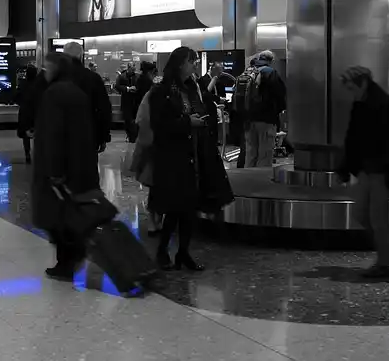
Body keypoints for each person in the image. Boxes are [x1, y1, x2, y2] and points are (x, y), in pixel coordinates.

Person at [148, 46, 234, 271]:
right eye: (191, 61)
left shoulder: (192, 88)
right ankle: (163, 251)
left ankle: (183, 253)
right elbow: (159, 125)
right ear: (179, 63)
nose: (195, 65)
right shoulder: (162, 90)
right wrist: (188, 122)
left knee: (189, 208)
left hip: (195, 154)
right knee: (176, 207)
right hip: (173, 157)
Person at [337, 67, 389, 279]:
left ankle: (384, 264)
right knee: (360, 213)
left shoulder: (385, 104)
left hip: (383, 170)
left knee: (377, 218)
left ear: (362, 83)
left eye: (350, 86)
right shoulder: (360, 104)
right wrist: (346, 167)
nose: (348, 90)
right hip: (366, 169)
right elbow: (352, 138)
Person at [31, 52, 99, 280]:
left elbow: (53, 135)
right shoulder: (76, 91)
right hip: (78, 164)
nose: (44, 72)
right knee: (67, 214)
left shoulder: (54, 94)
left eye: (47, 67)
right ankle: (72, 255)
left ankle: (66, 261)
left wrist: (54, 171)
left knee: (56, 217)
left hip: (59, 167)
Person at [63, 42, 112, 153]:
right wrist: (104, 136)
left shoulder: (57, 78)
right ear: (81, 56)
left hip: (61, 136)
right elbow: (104, 109)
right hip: (88, 134)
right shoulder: (93, 78)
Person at [244, 50, 286, 168]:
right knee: (265, 154)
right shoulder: (270, 72)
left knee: (251, 153)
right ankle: (261, 183)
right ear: (271, 61)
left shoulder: (248, 71)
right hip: (266, 119)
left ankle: (247, 181)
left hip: (248, 120)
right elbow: (280, 94)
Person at [16, 64, 46, 164]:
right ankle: (39, 154)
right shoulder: (39, 85)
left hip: (25, 112)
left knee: (26, 135)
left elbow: (16, 97)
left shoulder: (22, 84)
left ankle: (27, 154)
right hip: (37, 112)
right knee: (38, 134)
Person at [115, 62, 139, 143]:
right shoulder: (122, 76)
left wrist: (136, 89)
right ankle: (129, 135)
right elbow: (117, 86)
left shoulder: (137, 76)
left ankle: (134, 136)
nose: (133, 71)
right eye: (132, 69)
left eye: (134, 69)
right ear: (128, 68)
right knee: (127, 120)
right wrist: (127, 89)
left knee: (135, 119)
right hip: (126, 101)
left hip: (135, 101)